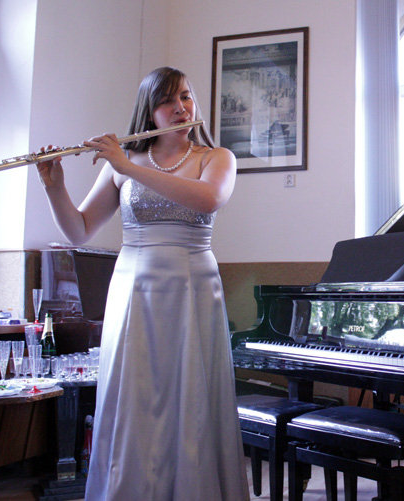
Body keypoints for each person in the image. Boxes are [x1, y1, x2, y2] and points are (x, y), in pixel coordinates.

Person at [37, 67, 249, 501]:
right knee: (132, 398)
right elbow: (79, 230)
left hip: (193, 288)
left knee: (191, 397)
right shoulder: (124, 162)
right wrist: (55, 188)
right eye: (167, 101)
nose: (181, 107)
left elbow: (209, 198)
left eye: (185, 96)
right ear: (149, 111)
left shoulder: (216, 158)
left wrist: (125, 166)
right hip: (133, 290)